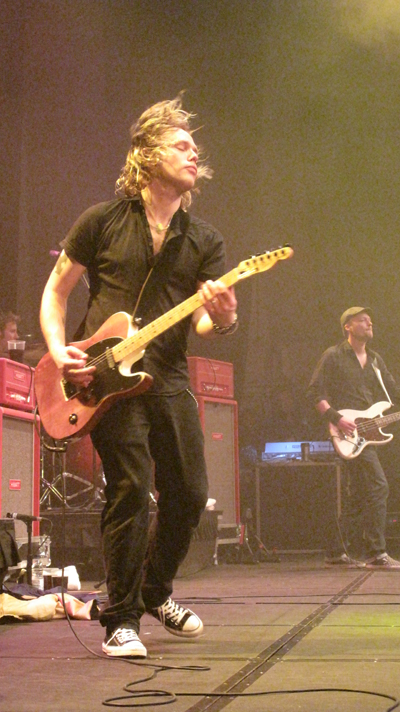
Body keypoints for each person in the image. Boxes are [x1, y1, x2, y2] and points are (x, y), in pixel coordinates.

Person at [39, 96, 238, 657]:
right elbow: (56, 291)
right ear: (148, 154)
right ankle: (121, 619)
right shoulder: (101, 221)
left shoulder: (204, 239)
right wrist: (58, 350)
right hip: (105, 378)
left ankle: (155, 591)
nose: (194, 154)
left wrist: (224, 316)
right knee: (129, 491)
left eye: (196, 147)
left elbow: (204, 322)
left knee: (190, 494)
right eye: (181, 145)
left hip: (168, 376)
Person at [308, 306, 400, 570]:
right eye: (362, 320)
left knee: (358, 494)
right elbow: (314, 393)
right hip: (346, 431)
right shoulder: (333, 355)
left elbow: (393, 392)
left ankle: (335, 551)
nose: (369, 323)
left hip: (367, 433)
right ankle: (376, 553)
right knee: (379, 485)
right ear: (347, 326)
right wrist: (337, 418)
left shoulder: (375, 360)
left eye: (370, 320)